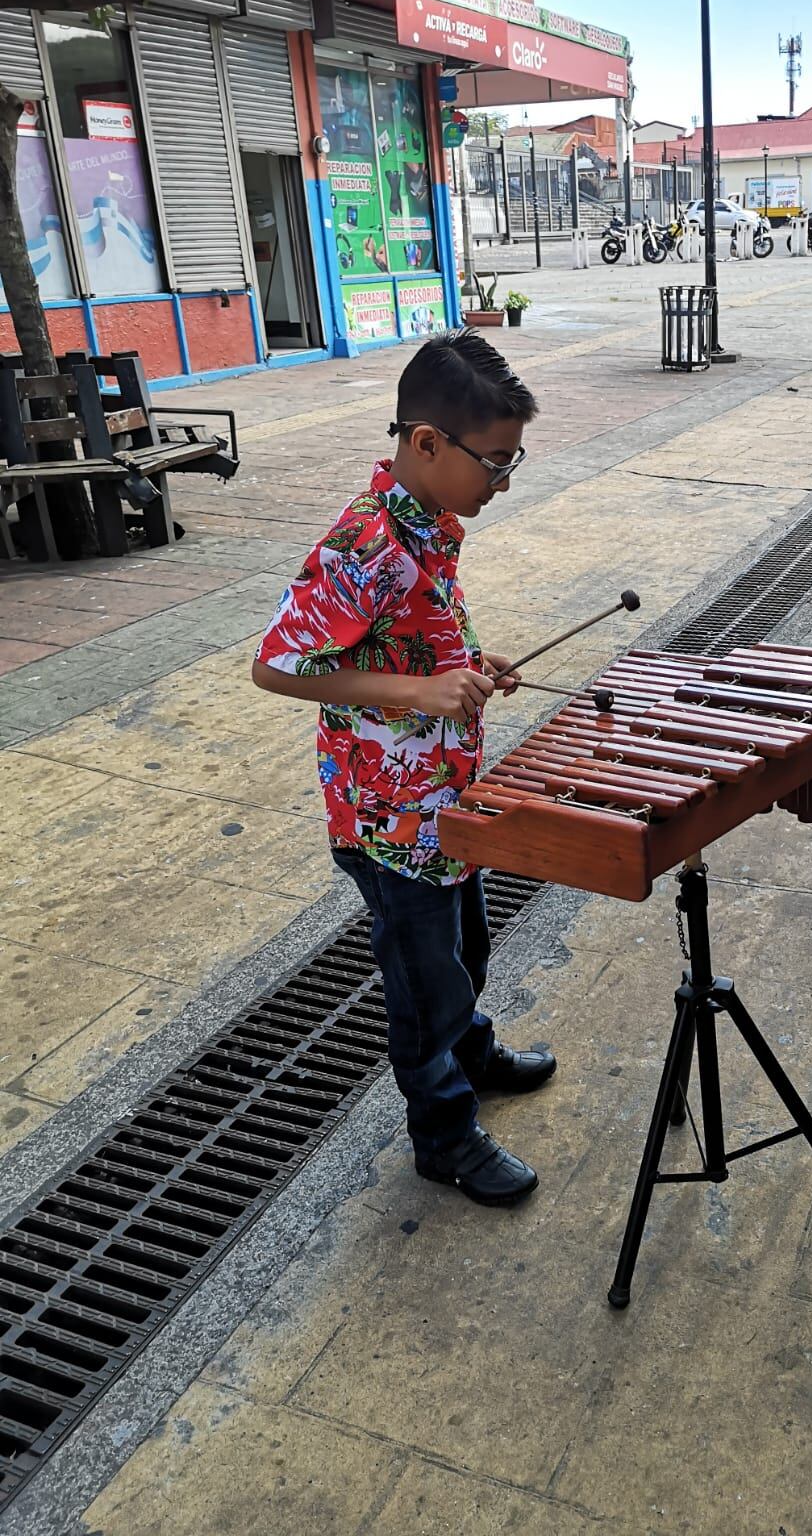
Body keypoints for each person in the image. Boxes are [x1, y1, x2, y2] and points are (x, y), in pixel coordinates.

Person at [251, 331, 553, 1207]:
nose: (503, 480)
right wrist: (419, 694)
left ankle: (475, 1053)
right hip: (386, 819)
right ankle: (444, 1136)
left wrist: (468, 662)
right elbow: (277, 664)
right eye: (495, 462)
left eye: (513, 461)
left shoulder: (428, 527)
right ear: (427, 443)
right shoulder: (364, 542)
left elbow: (415, 637)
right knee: (423, 983)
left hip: (443, 799)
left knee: (466, 946)